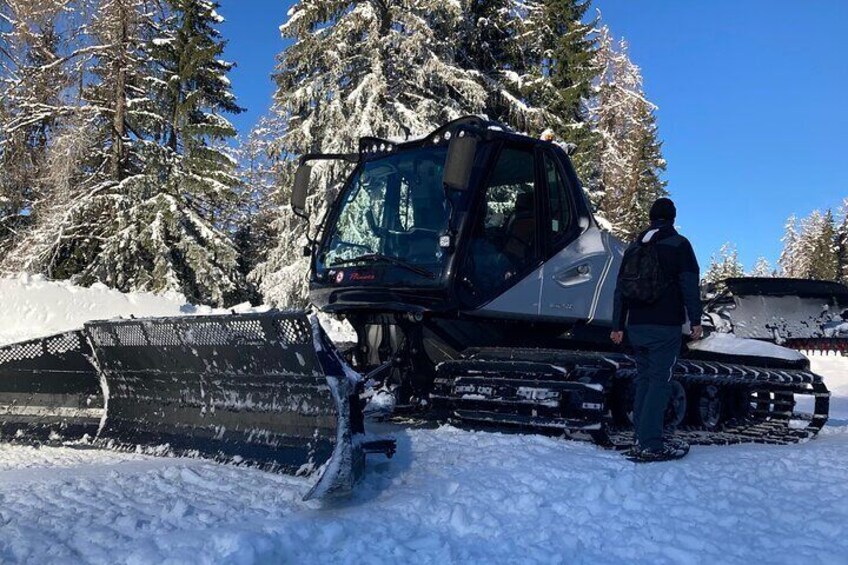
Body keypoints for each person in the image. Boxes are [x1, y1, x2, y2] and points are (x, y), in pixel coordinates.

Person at [610, 197, 703, 461]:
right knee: (660, 382)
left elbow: (621, 290)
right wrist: (695, 320)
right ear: (672, 218)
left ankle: (641, 437)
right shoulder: (679, 245)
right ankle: (651, 443)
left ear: (651, 217)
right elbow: (689, 286)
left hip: (636, 325)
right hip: (665, 326)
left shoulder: (634, 247)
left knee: (644, 380)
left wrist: (618, 325)